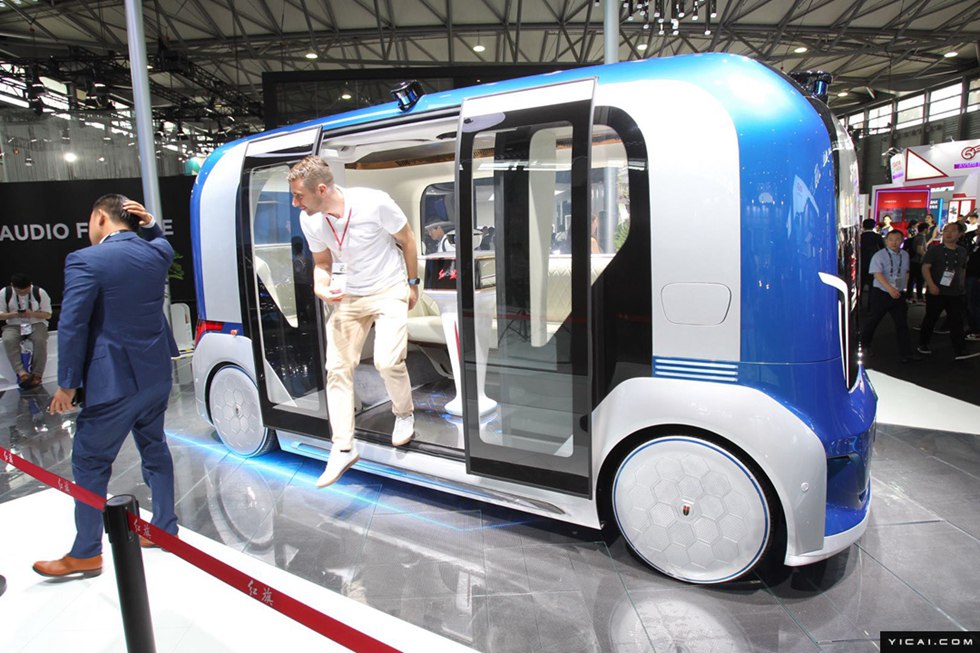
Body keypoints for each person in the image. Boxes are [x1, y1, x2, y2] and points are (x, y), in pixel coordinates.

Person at [33, 196, 179, 578]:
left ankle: (86, 552)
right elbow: (163, 244)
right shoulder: (156, 253)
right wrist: (151, 225)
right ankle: (165, 527)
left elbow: (73, 325)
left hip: (114, 380)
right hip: (156, 374)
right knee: (154, 448)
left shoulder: (86, 260)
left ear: (100, 217)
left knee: (90, 460)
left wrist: (67, 384)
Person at [287, 155, 419, 487]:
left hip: (389, 288)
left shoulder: (374, 202)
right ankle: (343, 447)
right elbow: (322, 261)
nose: (295, 203)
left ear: (321, 189)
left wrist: (413, 284)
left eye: (299, 196)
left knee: (388, 361)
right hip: (349, 296)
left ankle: (404, 414)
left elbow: (408, 239)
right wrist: (319, 285)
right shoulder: (310, 220)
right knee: (337, 368)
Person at [917, 221, 979, 361]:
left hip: (956, 293)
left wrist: (962, 286)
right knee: (931, 318)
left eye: (952, 231)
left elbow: (962, 269)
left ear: (959, 234)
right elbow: (925, 267)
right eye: (946, 231)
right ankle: (923, 343)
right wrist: (931, 285)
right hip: (937, 291)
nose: (948, 233)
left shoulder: (962, 251)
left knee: (956, 321)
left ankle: (960, 350)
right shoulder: (935, 250)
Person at [860, 230, 919, 363]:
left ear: (902, 241)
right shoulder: (879, 255)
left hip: (898, 293)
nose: (894, 242)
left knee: (902, 324)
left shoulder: (905, 255)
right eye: (891, 239)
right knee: (873, 321)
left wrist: (903, 289)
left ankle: (906, 353)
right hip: (881, 293)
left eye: (897, 239)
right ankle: (864, 346)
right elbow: (877, 274)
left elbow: (906, 272)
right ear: (886, 241)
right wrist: (890, 289)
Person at [1, 273, 52, 388]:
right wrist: (13, 314)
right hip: (14, 324)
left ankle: (37, 375)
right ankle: (22, 373)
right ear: (12, 286)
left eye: (26, 291)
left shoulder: (40, 292)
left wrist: (32, 314)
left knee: (40, 340)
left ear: (30, 285)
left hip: (36, 323)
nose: (23, 294)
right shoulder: (4, 293)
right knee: (8, 339)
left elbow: (48, 315)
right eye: (19, 291)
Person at [859, 218, 884, 308]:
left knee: (860, 285)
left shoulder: (860, 237)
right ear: (874, 226)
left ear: (863, 226)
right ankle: (870, 306)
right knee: (872, 286)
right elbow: (883, 249)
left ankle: (859, 304)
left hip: (861, 263)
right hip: (874, 264)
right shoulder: (877, 237)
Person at [906, 222, 929, 303]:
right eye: (928, 229)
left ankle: (909, 296)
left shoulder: (916, 237)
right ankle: (919, 297)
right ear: (925, 229)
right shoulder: (921, 238)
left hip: (913, 261)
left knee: (912, 279)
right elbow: (919, 249)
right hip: (918, 261)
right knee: (919, 280)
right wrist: (927, 256)